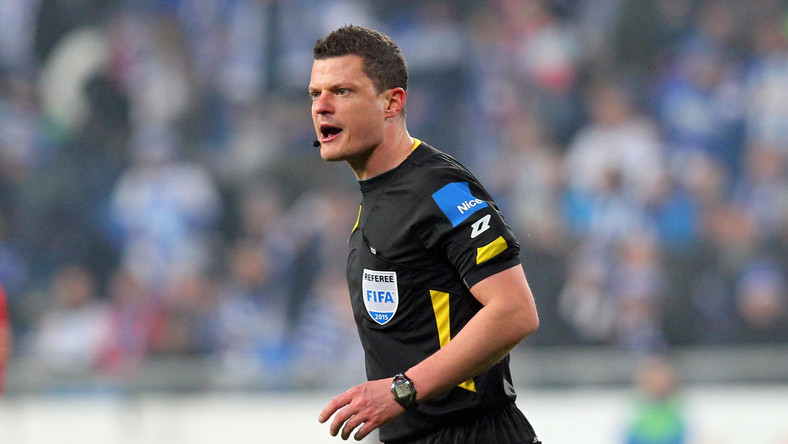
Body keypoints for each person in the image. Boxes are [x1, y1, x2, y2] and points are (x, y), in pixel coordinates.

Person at [310, 25, 542, 444]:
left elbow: (514, 310)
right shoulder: (378, 197)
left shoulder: (439, 188)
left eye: (342, 91)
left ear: (392, 102)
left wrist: (402, 390)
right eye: (315, 94)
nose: (322, 107)